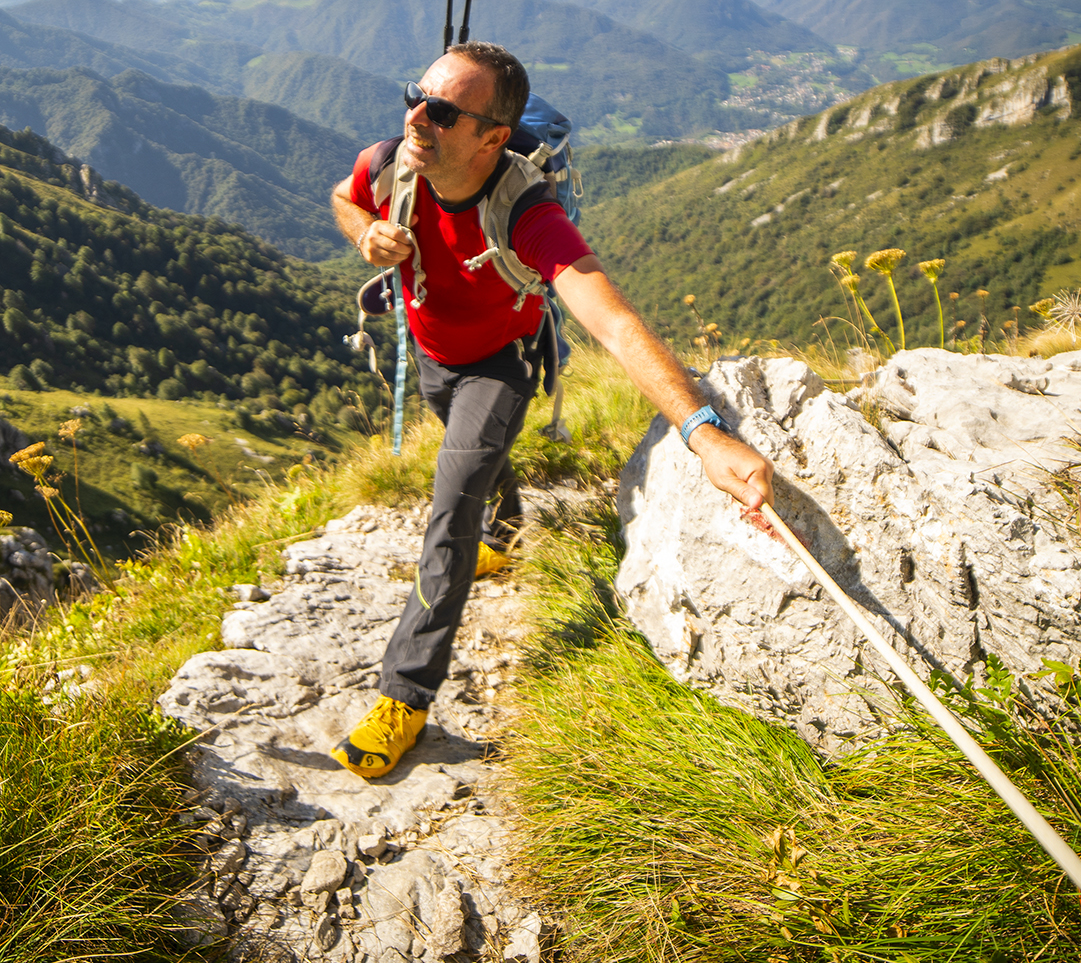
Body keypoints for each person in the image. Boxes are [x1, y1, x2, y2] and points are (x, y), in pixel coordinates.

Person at [328, 41, 775, 778]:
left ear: (492, 137)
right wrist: (365, 233)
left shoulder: (528, 214)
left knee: (450, 508)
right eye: (416, 94)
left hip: (498, 366)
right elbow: (343, 199)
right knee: (472, 463)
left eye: (440, 110)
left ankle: (402, 693)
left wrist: (703, 433)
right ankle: (506, 521)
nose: (416, 116)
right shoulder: (389, 163)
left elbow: (616, 324)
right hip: (435, 351)